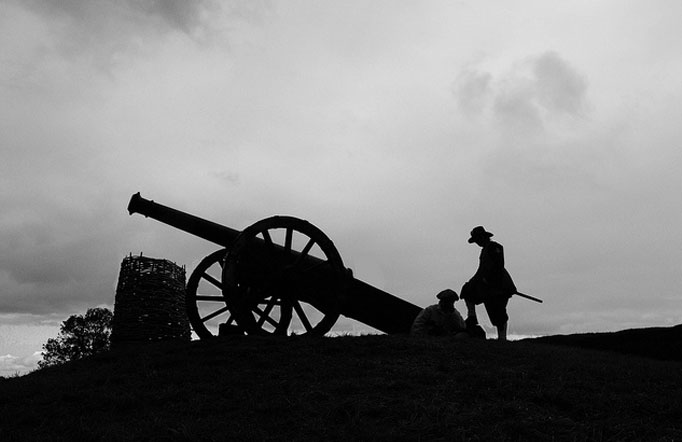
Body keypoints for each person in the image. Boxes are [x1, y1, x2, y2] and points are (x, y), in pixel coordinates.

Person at [461, 226, 516, 341]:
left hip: (498, 285)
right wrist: (473, 281)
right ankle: (472, 317)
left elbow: (498, 266)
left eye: (477, 240)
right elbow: (482, 269)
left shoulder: (495, 247)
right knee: (467, 291)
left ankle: (502, 338)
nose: (477, 243)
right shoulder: (484, 250)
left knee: (498, 312)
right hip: (485, 285)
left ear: (483, 237)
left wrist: (489, 280)